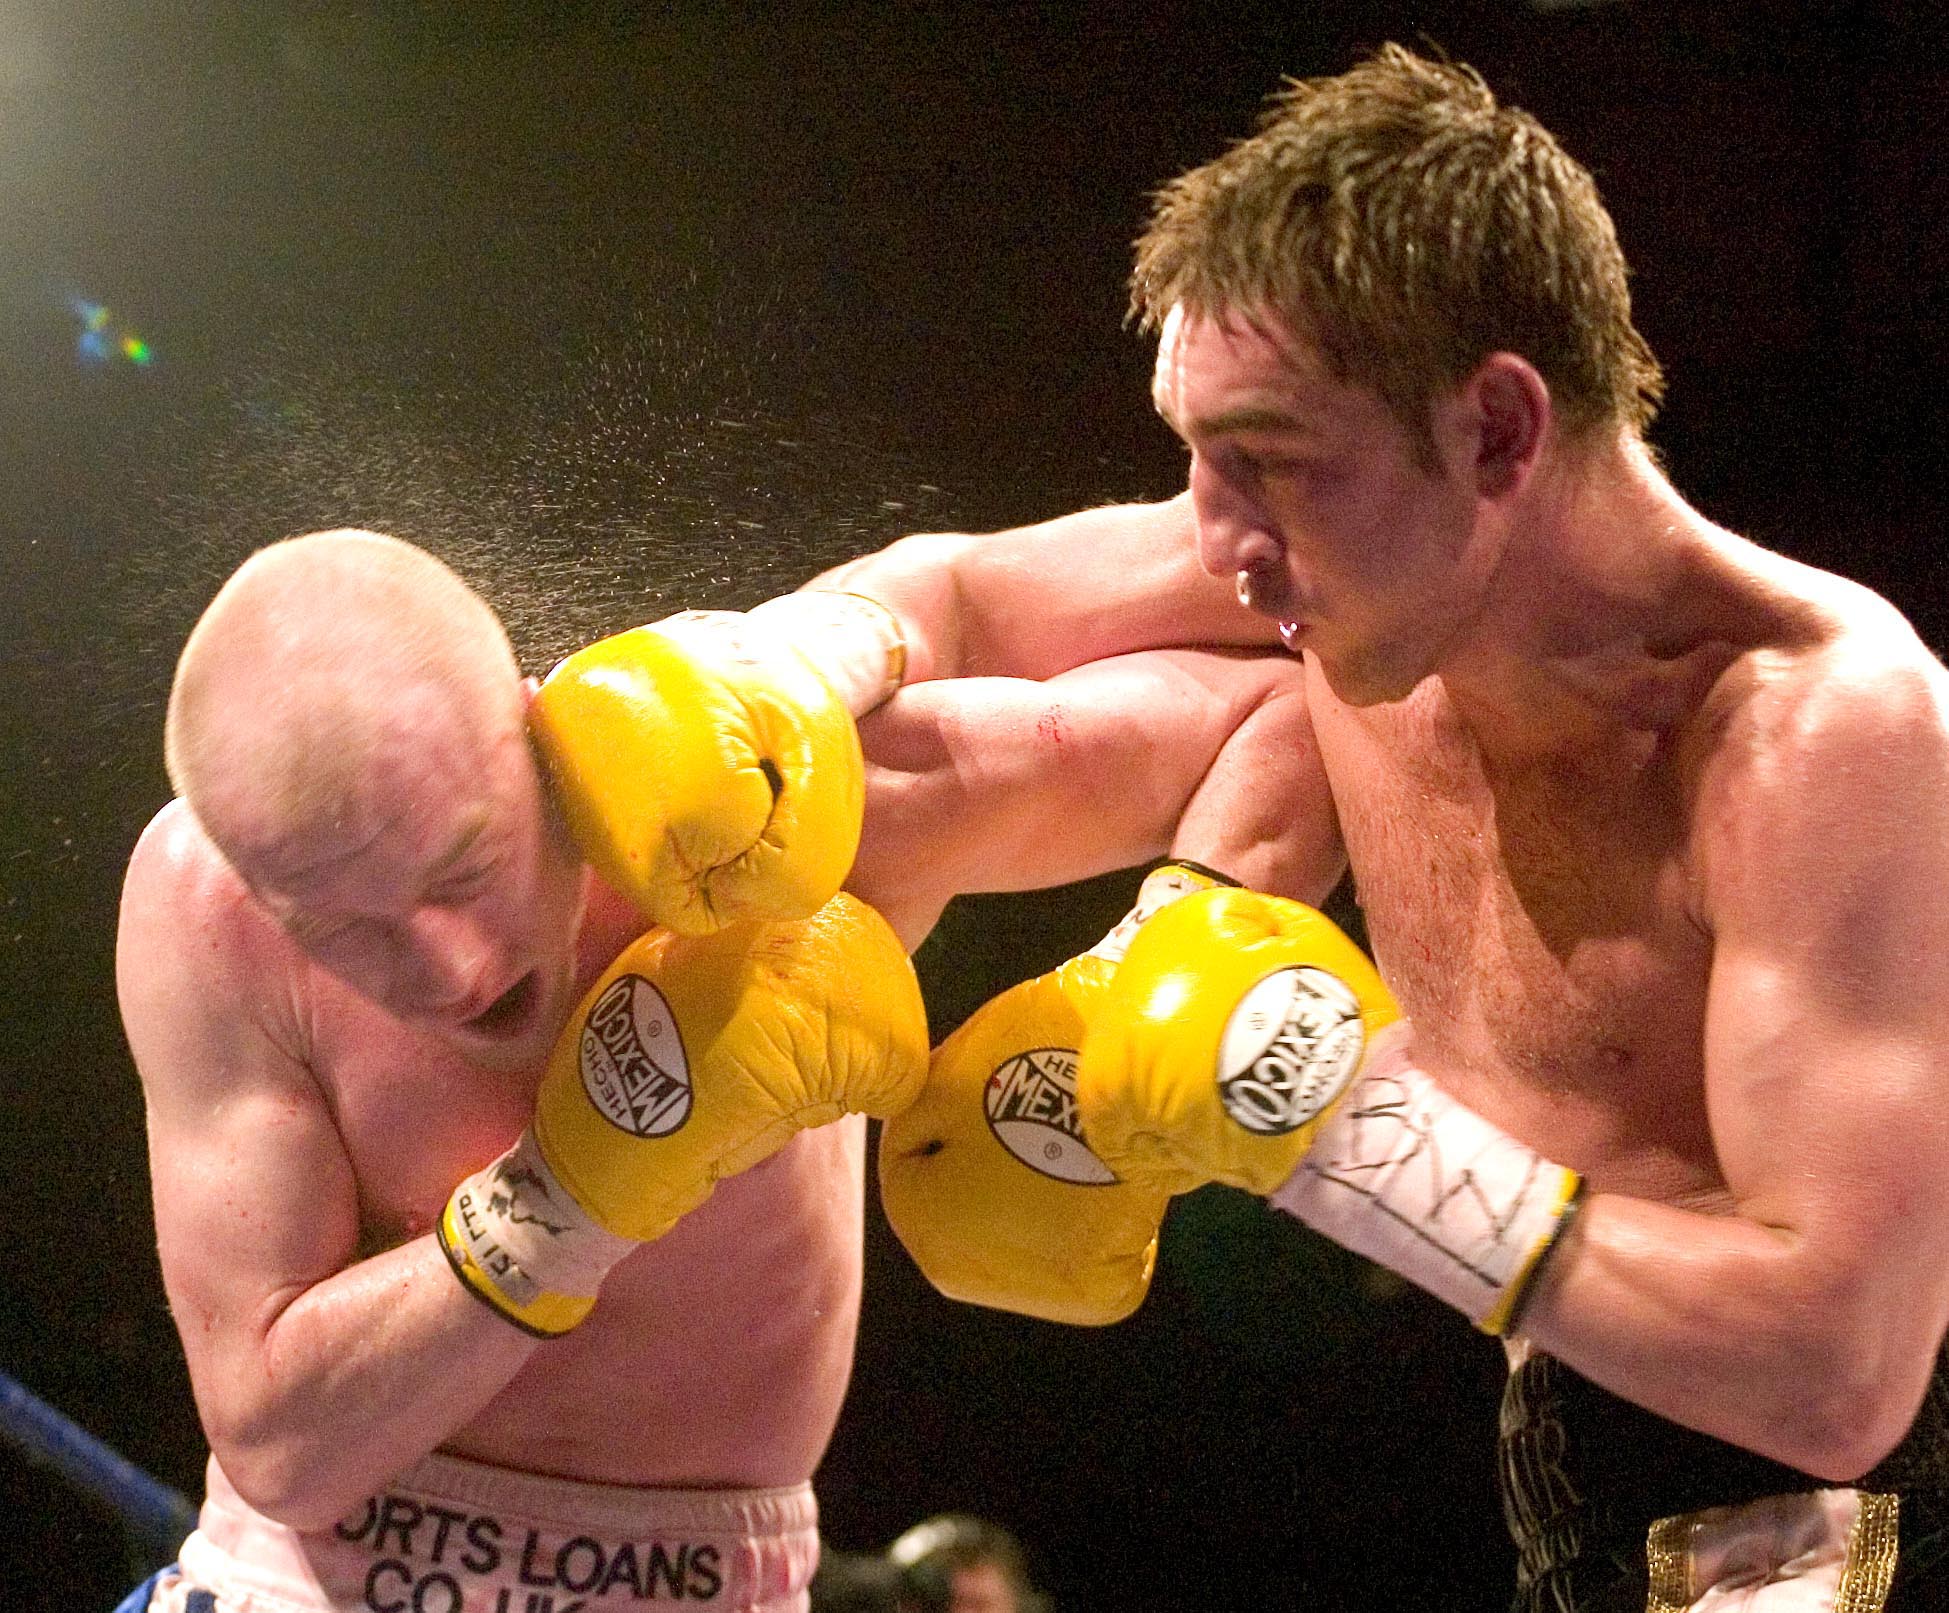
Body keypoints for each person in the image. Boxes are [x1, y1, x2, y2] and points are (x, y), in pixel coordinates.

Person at [804, 43, 1949, 1613]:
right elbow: (957, 592)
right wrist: (754, 676)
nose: (1212, 539)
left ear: (1493, 432)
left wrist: (1340, 1133)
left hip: (1868, 1495)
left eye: (1264, 460)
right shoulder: (1359, 591)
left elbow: (1839, 1377)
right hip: (1576, 1424)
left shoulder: (1819, 730)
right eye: (1193, 454)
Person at [113, 527, 1320, 1613]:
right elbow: (282, 1449)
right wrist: (568, 1201)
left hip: (704, 1580)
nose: (447, 966)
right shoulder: (207, 911)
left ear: (531, 727)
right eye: (344, 927)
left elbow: (1298, 684)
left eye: (461, 866)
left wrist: (1167, 945)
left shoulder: (777, 818)